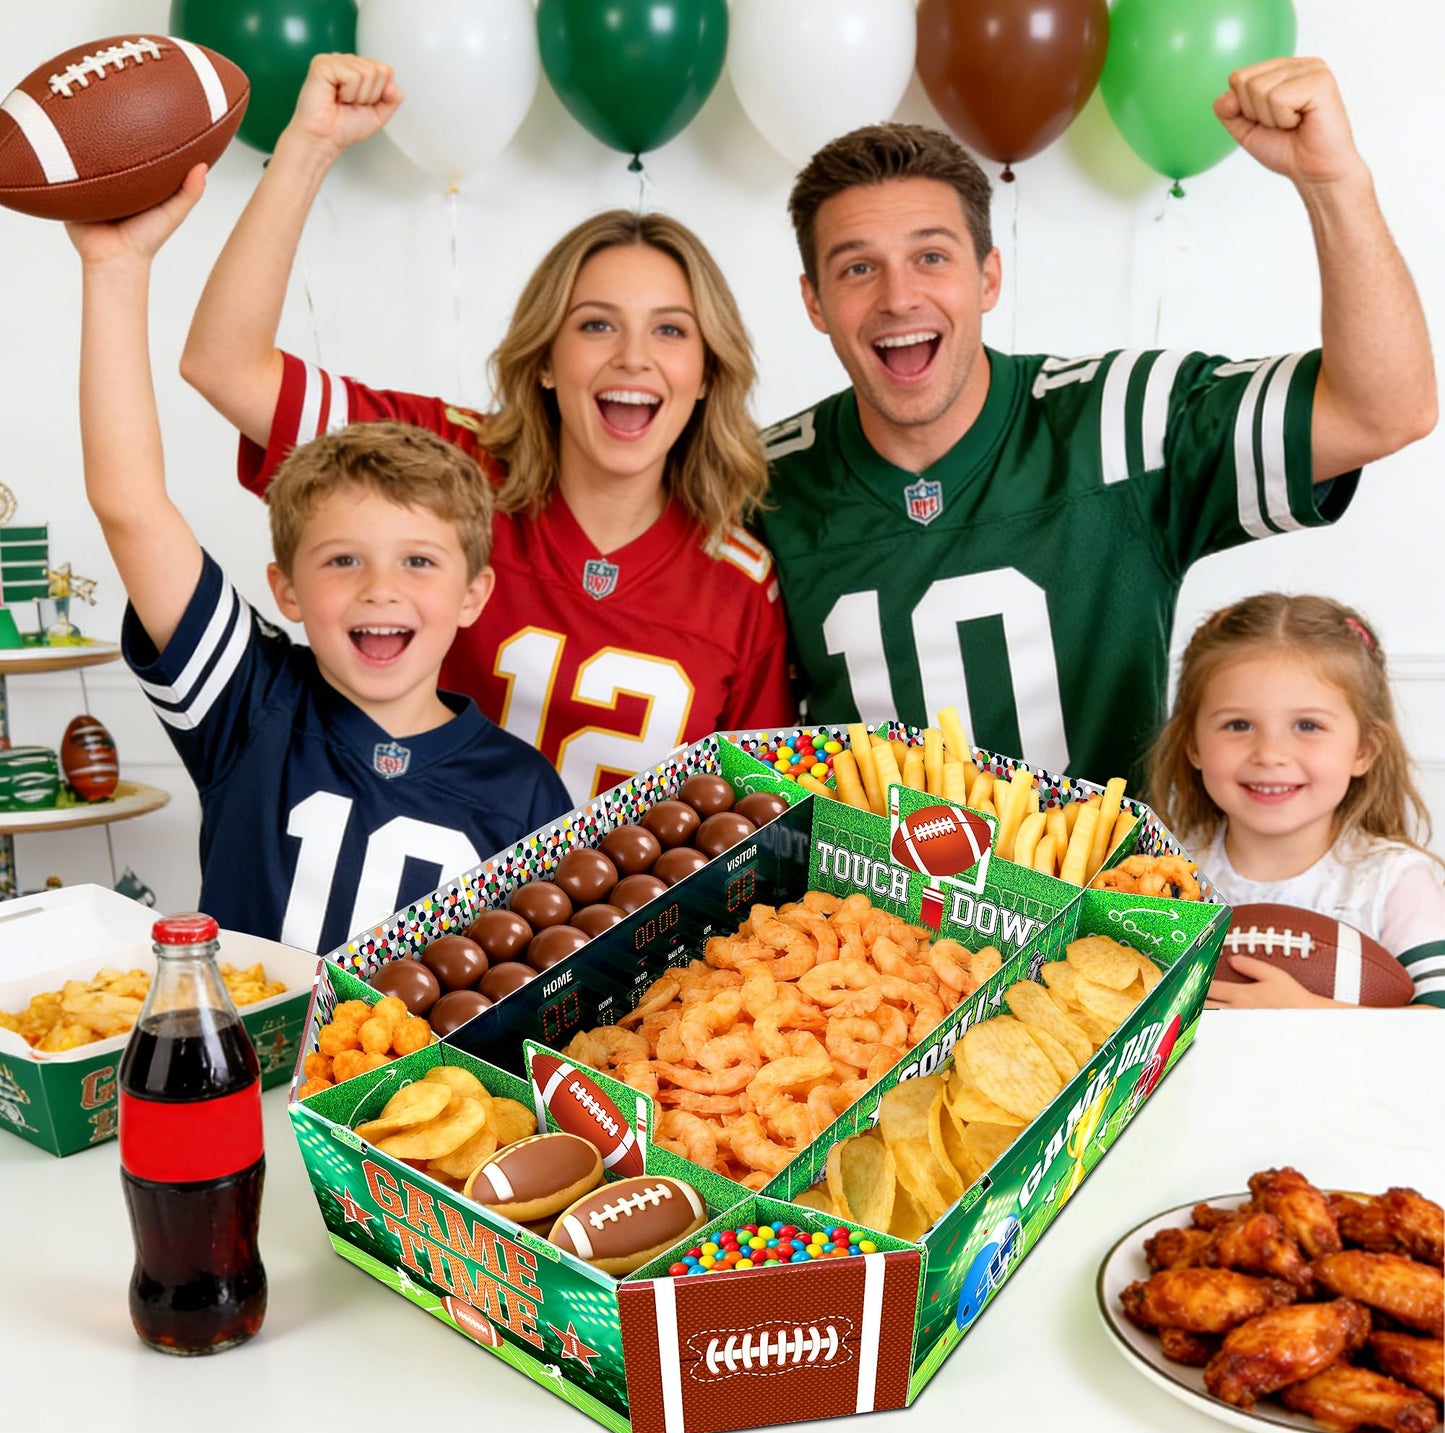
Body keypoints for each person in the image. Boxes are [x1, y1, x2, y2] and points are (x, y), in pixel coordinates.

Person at [760, 58, 1436, 792]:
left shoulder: (1119, 419)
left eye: (931, 256)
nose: (899, 297)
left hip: (1111, 869)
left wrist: (1334, 183)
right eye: (857, 268)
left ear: (988, 277)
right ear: (814, 301)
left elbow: (1384, 411)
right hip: (858, 873)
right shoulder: (759, 484)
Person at [182, 56, 794, 806]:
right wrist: (308, 145)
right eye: (595, 325)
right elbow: (223, 365)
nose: (633, 357)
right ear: (545, 360)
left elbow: (757, 822)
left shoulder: (739, 583)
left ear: (705, 373)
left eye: (670, 330)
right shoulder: (442, 463)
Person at [66, 166, 570, 953]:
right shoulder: (250, 702)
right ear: (287, 589)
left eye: (417, 562)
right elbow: (131, 507)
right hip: (242, 1041)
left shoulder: (524, 788)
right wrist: (115, 269)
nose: (380, 589)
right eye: (342, 561)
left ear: (474, 593)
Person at [1148, 593, 1445, 1009]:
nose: (1270, 754)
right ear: (1192, 744)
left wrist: (1302, 1012)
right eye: (1238, 724)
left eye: (1307, 725)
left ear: (1364, 750)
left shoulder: (1395, 882)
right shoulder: (1166, 873)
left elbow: (1436, 1021)